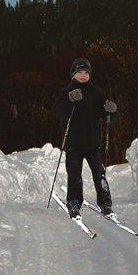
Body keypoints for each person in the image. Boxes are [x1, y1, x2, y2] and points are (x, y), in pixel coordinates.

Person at [52, 57, 117, 218]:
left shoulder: (97, 92)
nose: (83, 75)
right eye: (79, 72)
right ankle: (74, 203)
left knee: (99, 174)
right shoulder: (65, 92)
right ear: (73, 74)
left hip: (92, 143)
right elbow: (58, 112)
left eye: (86, 72)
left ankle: (106, 203)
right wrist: (69, 99)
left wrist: (111, 110)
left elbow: (106, 115)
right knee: (74, 175)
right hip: (73, 143)